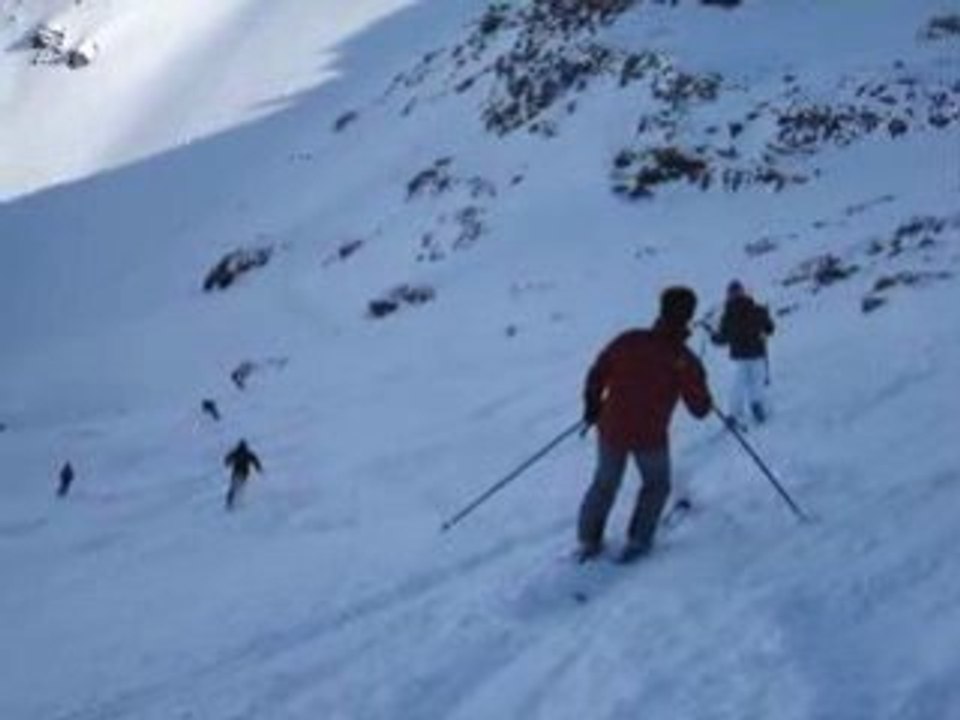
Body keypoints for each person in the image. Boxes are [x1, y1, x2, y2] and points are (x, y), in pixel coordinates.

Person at [578, 286, 714, 563]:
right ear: (688, 317)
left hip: (611, 428)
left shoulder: (630, 340)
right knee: (656, 484)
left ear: (661, 310)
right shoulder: (684, 360)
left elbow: (598, 371)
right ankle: (638, 540)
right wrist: (702, 389)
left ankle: (588, 541)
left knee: (604, 483)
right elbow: (700, 410)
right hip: (649, 437)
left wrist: (593, 406)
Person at [711, 280, 775, 427]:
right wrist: (766, 322)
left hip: (739, 357)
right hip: (756, 354)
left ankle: (735, 415)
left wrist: (714, 337)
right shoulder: (756, 309)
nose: (733, 295)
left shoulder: (728, 315)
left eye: (733, 293)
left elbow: (722, 338)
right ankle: (755, 407)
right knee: (755, 383)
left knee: (737, 387)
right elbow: (770, 329)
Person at [223, 439, 263, 510]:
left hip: (239, 472)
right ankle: (234, 501)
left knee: (235, 487)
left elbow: (228, 458)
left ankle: (232, 502)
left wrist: (227, 462)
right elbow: (255, 461)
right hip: (242, 473)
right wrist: (259, 468)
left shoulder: (237, 452)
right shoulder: (246, 453)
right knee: (237, 487)